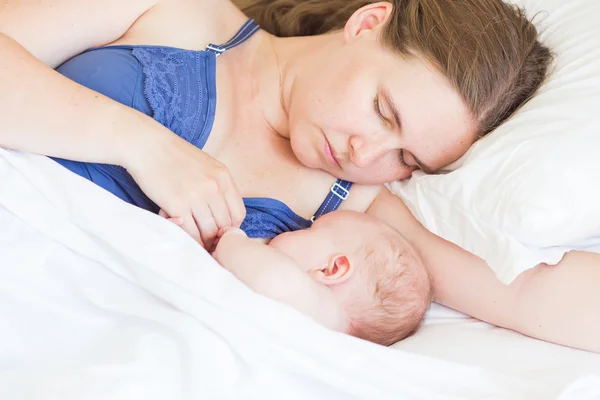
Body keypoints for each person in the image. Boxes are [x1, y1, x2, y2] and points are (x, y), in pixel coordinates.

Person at [1, 0, 599, 353]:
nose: (368, 155)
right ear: (368, 22)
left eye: (408, 160)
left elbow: (524, 292)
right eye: (384, 110)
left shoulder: (353, 216)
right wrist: (139, 144)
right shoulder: (174, 12)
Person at [211, 210, 432, 346]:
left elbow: (273, 278)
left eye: (310, 229)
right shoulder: (331, 333)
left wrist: (232, 241)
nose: (293, 228)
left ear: (332, 269)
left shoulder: (323, 310)